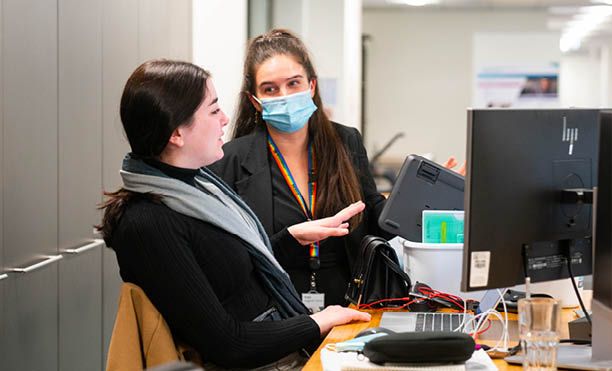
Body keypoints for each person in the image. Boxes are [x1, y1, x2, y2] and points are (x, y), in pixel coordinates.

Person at [98, 59, 370, 369]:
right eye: (214, 110)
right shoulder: (148, 223)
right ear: (176, 133)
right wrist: (318, 322)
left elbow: (230, 271)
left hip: (283, 347)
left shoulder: (196, 187)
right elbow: (230, 344)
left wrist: (291, 238)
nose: (225, 119)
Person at [209, 29, 394, 309]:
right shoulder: (230, 159)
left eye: (293, 83)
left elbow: (372, 221)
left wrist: (421, 197)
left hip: (347, 306)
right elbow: (226, 259)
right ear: (254, 100)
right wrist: (290, 240)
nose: (283, 95)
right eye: (270, 89)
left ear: (311, 86)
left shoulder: (346, 141)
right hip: (272, 310)